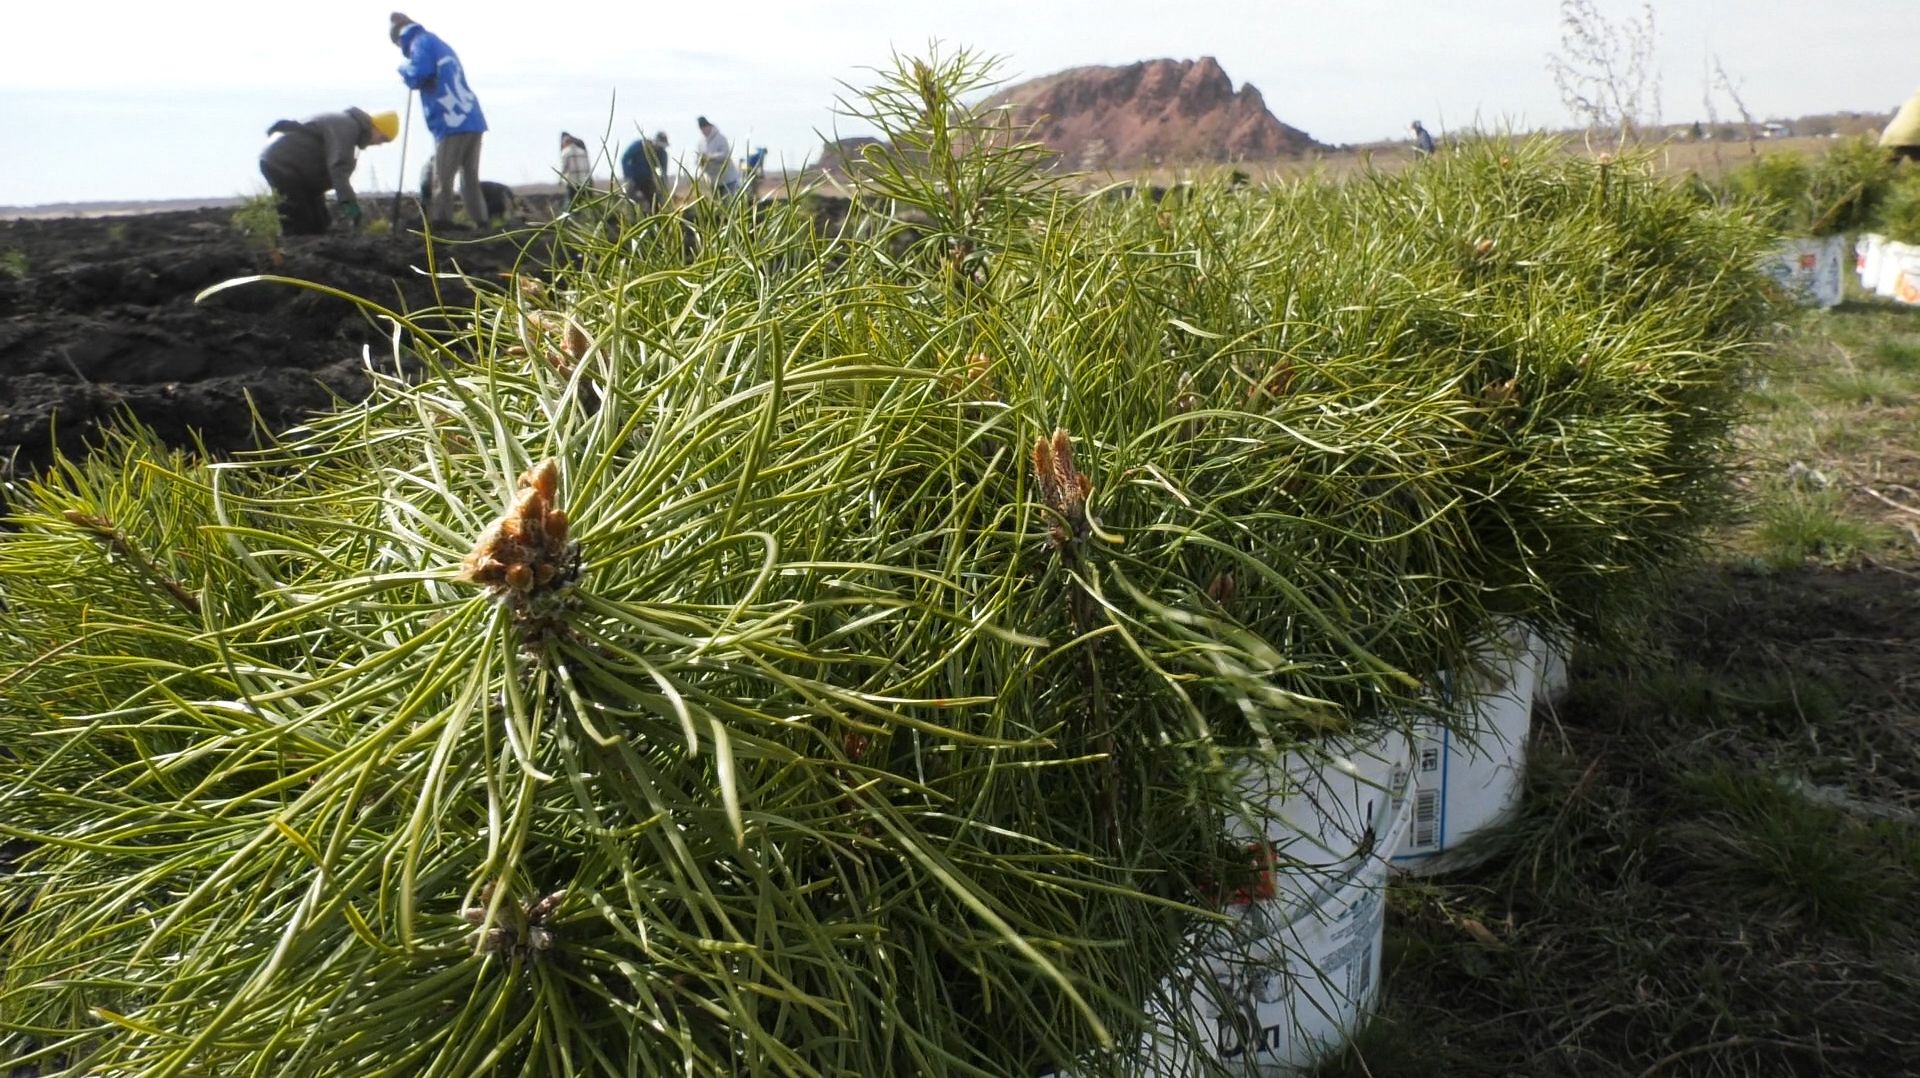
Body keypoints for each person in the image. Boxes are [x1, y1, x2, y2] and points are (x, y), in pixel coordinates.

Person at [390, 12, 490, 228]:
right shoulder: (437, 42)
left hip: (451, 120)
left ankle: (441, 222)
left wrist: (403, 69)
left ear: (400, 39)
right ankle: (482, 223)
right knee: (470, 177)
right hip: (472, 117)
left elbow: (419, 74)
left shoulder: (419, 43)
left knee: (442, 177)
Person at [258, 107, 398, 236]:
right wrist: (352, 208)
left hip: (296, 170)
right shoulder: (348, 127)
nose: (380, 144)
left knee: (320, 223)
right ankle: (293, 256)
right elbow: (338, 170)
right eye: (383, 138)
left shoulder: (347, 125)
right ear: (375, 128)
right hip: (282, 163)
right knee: (299, 220)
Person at [696, 116, 742, 197]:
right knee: (717, 206)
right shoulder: (701, 143)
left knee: (728, 203)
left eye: (705, 127)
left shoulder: (721, 138)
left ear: (709, 126)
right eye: (701, 129)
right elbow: (699, 157)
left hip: (728, 180)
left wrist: (711, 157)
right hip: (713, 180)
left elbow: (725, 155)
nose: (704, 130)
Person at [620, 136, 663, 211]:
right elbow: (625, 159)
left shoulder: (660, 152)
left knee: (654, 200)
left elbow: (661, 168)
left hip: (648, 179)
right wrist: (628, 176)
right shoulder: (638, 145)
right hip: (634, 179)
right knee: (634, 201)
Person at [1881, 90, 1920, 163]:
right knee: (1916, 171)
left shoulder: (1912, 100)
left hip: (1890, 137)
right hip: (1913, 136)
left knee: (1884, 170)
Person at [559, 132, 592, 207]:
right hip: (583, 182)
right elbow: (588, 167)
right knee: (583, 203)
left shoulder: (565, 152)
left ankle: (570, 217)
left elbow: (564, 167)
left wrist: (560, 179)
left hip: (572, 183)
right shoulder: (582, 152)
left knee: (571, 203)